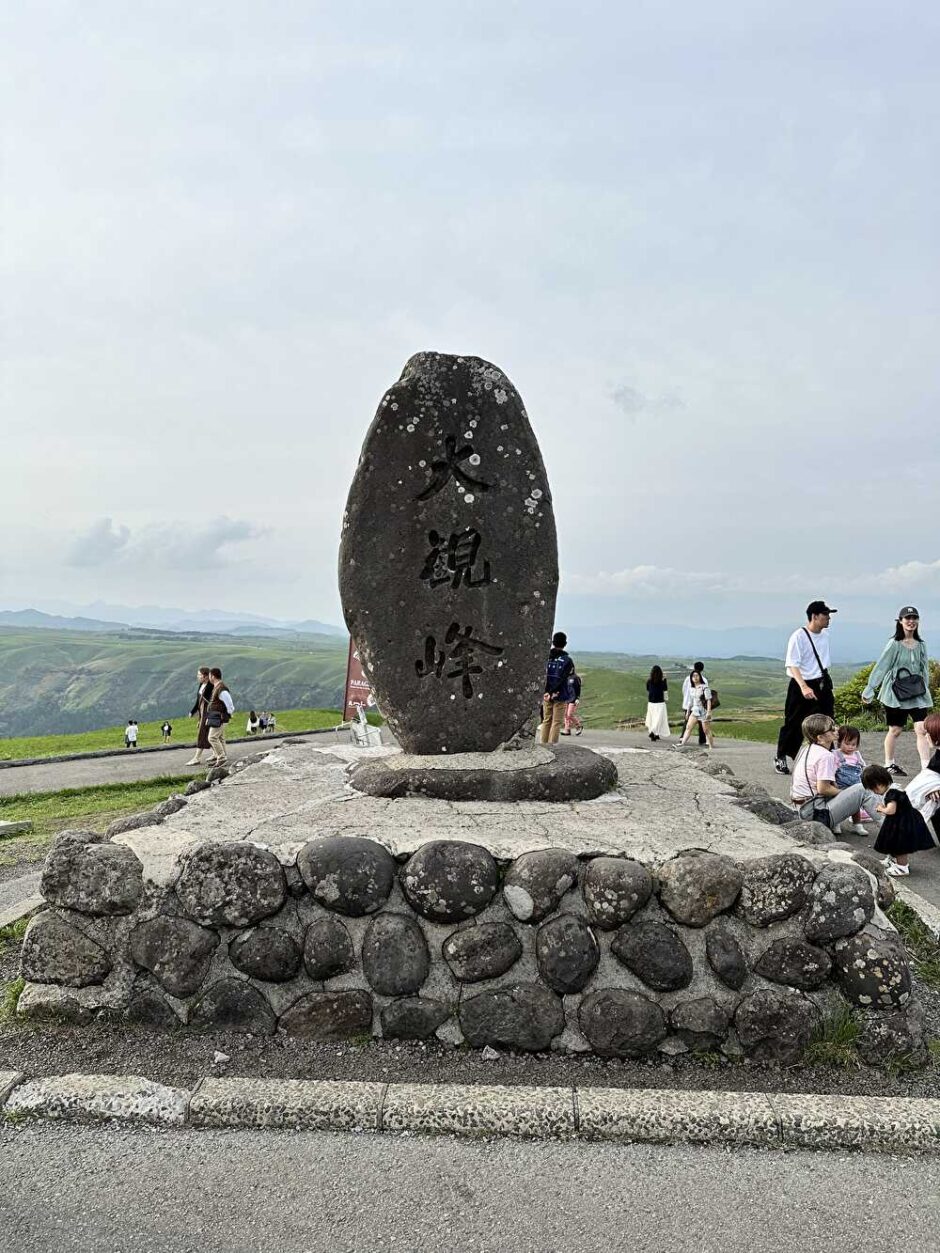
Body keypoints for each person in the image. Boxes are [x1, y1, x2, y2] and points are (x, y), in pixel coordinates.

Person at [861, 607, 934, 776]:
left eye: (914, 618)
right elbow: (882, 666)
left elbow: (925, 669)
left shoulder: (921, 645)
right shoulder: (894, 644)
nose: (911, 621)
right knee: (895, 730)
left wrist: (925, 689)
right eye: (907, 618)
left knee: (921, 729)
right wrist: (870, 688)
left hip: (916, 693)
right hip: (895, 693)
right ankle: (889, 764)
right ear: (900, 621)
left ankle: (925, 768)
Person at [790, 713, 883, 835]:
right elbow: (823, 789)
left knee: (854, 789)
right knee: (862, 789)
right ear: (820, 738)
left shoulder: (806, 748)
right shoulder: (825, 756)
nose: (836, 730)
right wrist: (849, 794)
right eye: (831, 729)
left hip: (801, 807)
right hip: (815, 813)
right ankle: (890, 824)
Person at [773, 601, 837, 775]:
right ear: (814, 616)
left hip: (821, 683)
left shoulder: (825, 635)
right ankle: (781, 756)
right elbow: (793, 664)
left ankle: (826, 757)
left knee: (828, 721)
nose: (828, 618)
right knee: (794, 723)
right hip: (801, 683)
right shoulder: (799, 636)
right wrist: (803, 686)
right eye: (825, 615)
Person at [866, 763, 936, 877]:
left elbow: (891, 810)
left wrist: (881, 809)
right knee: (892, 842)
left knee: (900, 846)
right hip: (900, 821)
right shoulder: (894, 789)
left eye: (873, 789)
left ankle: (902, 867)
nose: (874, 792)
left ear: (878, 785)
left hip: (903, 824)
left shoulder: (892, 794)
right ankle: (893, 860)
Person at [540, 632, 574, 745]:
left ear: (553, 642)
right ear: (565, 644)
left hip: (546, 694)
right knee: (556, 722)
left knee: (546, 720)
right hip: (560, 694)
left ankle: (543, 744)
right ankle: (552, 745)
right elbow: (563, 678)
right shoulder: (567, 660)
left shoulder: (546, 658)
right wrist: (553, 691)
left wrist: (547, 692)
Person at [833, 725, 869, 830]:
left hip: (855, 785)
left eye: (854, 744)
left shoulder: (857, 755)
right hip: (841, 786)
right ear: (839, 742)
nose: (850, 747)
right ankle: (836, 823)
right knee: (839, 806)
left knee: (856, 807)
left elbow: (863, 767)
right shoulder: (836, 754)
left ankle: (857, 824)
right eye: (847, 744)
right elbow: (832, 770)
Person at [206, 666, 234, 767]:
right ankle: (223, 757)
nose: (209, 678)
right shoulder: (218, 687)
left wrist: (229, 714)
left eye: (209, 675)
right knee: (220, 738)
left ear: (213, 676)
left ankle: (221, 757)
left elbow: (229, 704)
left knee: (212, 737)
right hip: (217, 717)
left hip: (219, 718)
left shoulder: (221, 689)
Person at [676, 671, 713, 748]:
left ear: (700, 677)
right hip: (695, 710)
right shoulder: (691, 689)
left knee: (706, 730)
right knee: (688, 727)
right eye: (693, 676)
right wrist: (688, 712)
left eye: (697, 675)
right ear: (691, 678)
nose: (695, 677)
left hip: (703, 711)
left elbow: (708, 700)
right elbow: (691, 701)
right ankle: (682, 743)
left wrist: (709, 712)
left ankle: (711, 746)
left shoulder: (704, 687)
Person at [186, 666, 213, 767]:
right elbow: (198, 701)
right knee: (210, 734)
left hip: (208, 713)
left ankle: (196, 758)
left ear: (206, 676)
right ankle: (217, 754)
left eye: (199, 675)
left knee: (203, 733)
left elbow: (210, 701)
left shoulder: (210, 686)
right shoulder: (201, 684)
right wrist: (193, 711)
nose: (198, 677)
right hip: (202, 712)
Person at [644, 665, 669, 742]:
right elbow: (665, 692)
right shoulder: (663, 681)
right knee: (659, 719)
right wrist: (666, 700)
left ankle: (655, 733)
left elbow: (648, 689)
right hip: (660, 703)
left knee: (652, 718)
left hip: (651, 703)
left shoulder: (649, 681)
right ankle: (653, 732)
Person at [561, 670, 583, 736]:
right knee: (565, 714)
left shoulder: (576, 677)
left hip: (573, 699)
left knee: (569, 714)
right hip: (566, 698)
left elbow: (578, 689)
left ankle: (578, 726)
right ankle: (567, 729)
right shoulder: (565, 677)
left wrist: (577, 698)